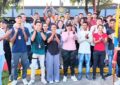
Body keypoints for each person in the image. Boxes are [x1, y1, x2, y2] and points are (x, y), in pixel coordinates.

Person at [10, 15, 30, 85]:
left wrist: (23, 30)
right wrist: (16, 31)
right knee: (15, 65)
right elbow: (12, 41)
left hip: (24, 50)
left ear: (22, 20)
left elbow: (26, 40)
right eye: (18, 18)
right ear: (15, 20)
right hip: (15, 51)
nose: (19, 19)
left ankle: (24, 78)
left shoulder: (26, 29)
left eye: (20, 18)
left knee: (25, 64)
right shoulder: (12, 29)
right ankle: (15, 79)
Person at [28, 20, 47, 84]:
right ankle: (32, 79)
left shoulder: (43, 32)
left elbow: (44, 39)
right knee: (33, 66)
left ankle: (43, 79)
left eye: (40, 25)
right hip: (35, 52)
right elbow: (32, 39)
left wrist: (41, 32)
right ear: (35, 26)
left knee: (42, 66)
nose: (39, 26)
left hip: (42, 52)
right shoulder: (32, 32)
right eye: (38, 25)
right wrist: (35, 31)